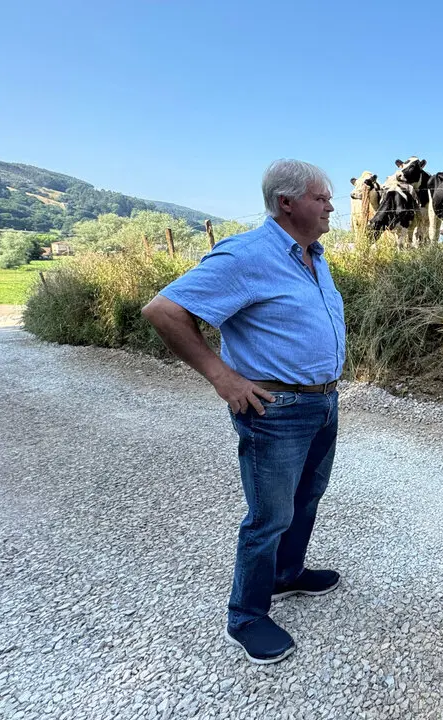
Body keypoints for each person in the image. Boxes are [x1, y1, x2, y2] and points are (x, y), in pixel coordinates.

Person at [141, 159, 346, 664]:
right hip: (275, 409)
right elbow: (163, 310)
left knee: (306, 498)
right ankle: (247, 616)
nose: (331, 206)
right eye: (321, 198)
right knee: (269, 516)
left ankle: (286, 575)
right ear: (287, 203)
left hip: (322, 401)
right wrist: (222, 376)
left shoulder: (313, 256)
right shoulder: (248, 253)